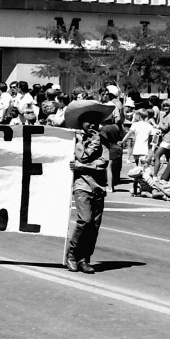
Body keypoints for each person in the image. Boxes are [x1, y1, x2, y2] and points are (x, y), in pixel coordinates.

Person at [63, 99, 115, 274]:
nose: (92, 125)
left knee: (94, 225)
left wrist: (82, 166)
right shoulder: (75, 139)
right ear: (81, 122)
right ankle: (71, 253)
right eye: (88, 121)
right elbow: (82, 156)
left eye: (95, 121)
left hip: (98, 185)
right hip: (82, 184)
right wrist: (92, 145)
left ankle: (85, 258)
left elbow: (102, 163)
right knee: (84, 220)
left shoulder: (103, 140)